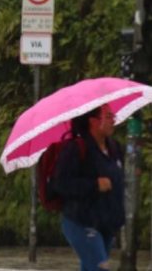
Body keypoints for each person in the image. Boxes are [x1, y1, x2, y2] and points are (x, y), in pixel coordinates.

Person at [52, 104, 124, 271]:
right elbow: (61, 184)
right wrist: (94, 185)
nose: (114, 120)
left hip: (106, 223)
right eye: (108, 116)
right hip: (80, 221)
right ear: (93, 121)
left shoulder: (114, 148)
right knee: (99, 267)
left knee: (93, 267)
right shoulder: (75, 149)